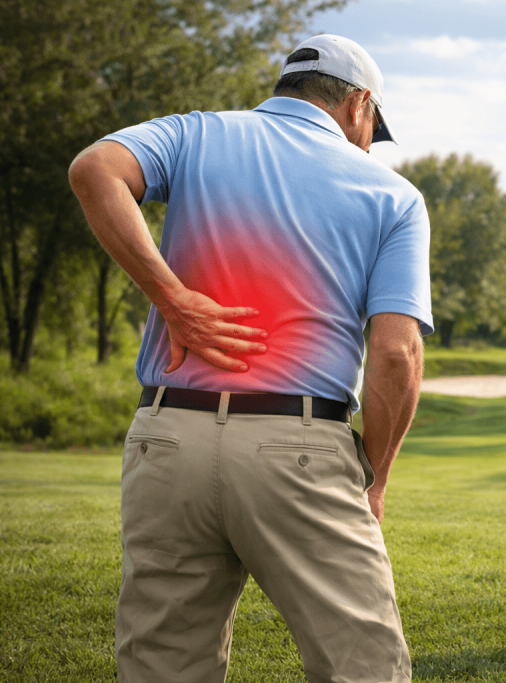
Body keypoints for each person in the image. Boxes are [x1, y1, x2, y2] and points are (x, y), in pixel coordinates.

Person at [68, 34, 431, 682]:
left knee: (163, 667)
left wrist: (171, 298)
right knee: (366, 667)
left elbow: (95, 169)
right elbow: (397, 354)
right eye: (373, 130)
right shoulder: (393, 194)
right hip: (299, 448)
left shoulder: (194, 134)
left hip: (167, 439)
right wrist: (374, 477)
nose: (369, 144)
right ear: (359, 105)